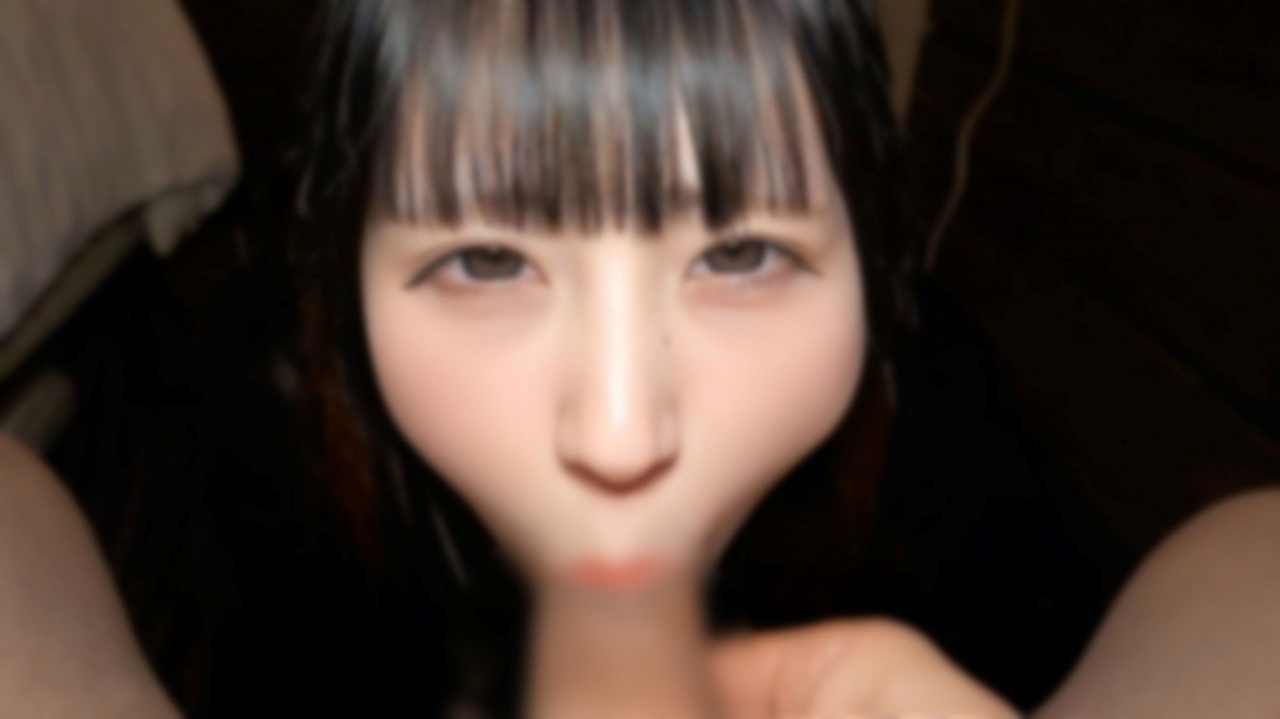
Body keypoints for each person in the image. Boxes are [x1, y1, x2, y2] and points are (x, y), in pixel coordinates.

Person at [1, 1, 1278, 717]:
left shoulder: (944, 451)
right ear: (344, 266)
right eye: (487, 259)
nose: (619, 431)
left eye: (739, 251)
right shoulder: (250, 436)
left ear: (868, 255)